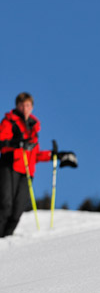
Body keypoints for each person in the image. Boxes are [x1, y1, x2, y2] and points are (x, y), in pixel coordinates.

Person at [0, 92, 77, 237]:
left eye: (28, 105)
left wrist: (55, 155)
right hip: (9, 166)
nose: (25, 108)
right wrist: (17, 144)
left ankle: (5, 238)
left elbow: (34, 155)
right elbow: (1, 142)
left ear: (32, 107)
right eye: (22, 105)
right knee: (5, 204)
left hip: (27, 171)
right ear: (17, 106)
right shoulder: (9, 122)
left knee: (18, 209)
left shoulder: (33, 128)